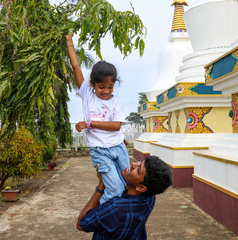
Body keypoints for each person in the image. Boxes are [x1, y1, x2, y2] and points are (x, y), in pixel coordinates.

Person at [66, 33, 130, 204]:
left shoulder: (116, 101)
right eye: (102, 87)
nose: (106, 91)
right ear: (92, 84)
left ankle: (119, 218)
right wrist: (69, 42)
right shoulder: (87, 93)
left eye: (110, 87)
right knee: (115, 189)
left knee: (127, 186)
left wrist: (89, 123)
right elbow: (76, 67)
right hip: (100, 151)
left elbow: (116, 126)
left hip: (118, 148)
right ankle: (99, 216)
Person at [77, 155, 172, 240]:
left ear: (141, 187)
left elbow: (81, 224)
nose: (134, 164)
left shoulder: (117, 207)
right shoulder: (150, 198)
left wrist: (101, 186)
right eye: (140, 163)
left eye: (138, 170)